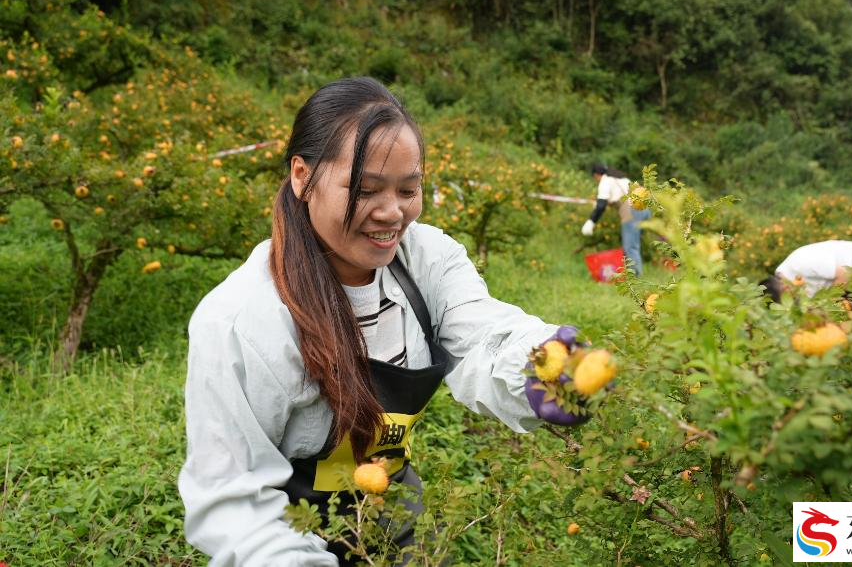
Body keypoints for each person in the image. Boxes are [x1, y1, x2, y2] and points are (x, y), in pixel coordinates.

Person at [178, 77, 585, 567]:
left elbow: (483, 337)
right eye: (366, 190)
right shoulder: (242, 321)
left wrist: (542, 361)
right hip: (281, 541)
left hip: (395, 520)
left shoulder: (427, 260)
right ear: (302, 177)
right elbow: (236, 503)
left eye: (409, 189)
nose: (393, 213)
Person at [580, 163, 652, 276]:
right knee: (635, 244)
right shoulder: (620, 178)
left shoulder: (604, 182)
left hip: (631, 212)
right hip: (645, 209)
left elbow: (601, 206)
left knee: (630, 247)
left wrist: (590, 222)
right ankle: (636, 272)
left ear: (596, 175)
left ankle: (636, 276)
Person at [760, 240, 852, 302]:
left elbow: (844, 275)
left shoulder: (801, 263)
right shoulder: (786, 277)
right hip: (848, 281)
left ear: (785, 290)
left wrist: (831, 303)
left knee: (847, 318)